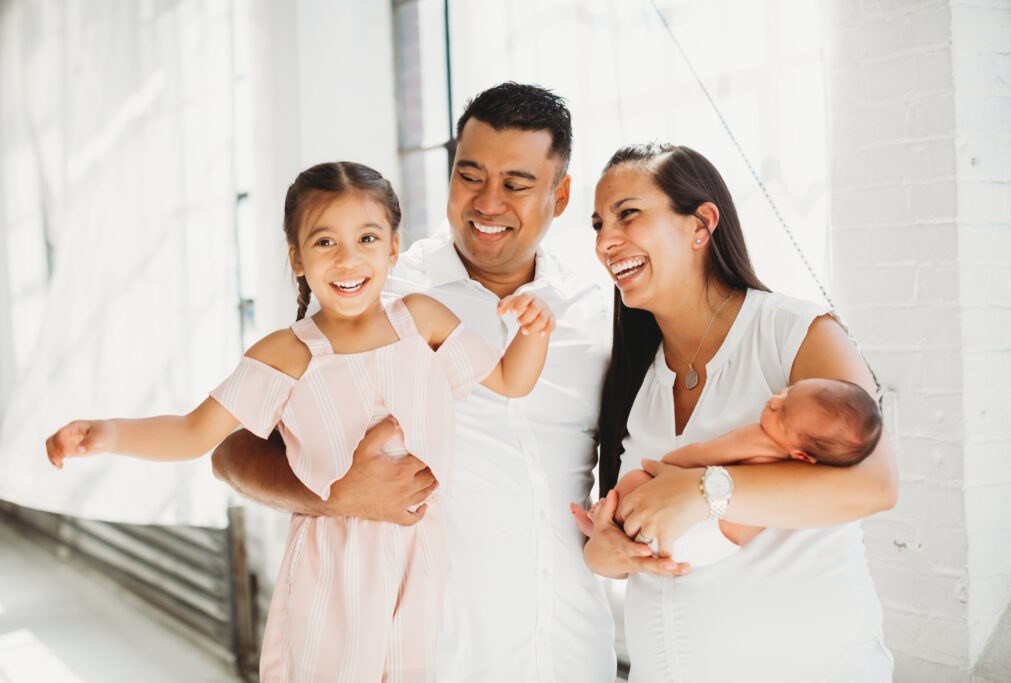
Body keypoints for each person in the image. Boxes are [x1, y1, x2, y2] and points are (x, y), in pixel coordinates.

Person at [45, 160, 556, 682]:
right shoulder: (286, 354)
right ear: (296, 257)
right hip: (329, 571)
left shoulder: (421, 322)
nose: (348, 259)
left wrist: (534, 331)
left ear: (394, 248)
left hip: (419, 559)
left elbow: (511, 381)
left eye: (367, 238)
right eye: (325, 243)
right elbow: (193, 432)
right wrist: (108, 433)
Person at [210, 83, 617, 682]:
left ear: (560, 199)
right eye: (469, 175)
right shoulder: (380, 294)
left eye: (516, 184)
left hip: (572, 651)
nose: (487, 202)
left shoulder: (597, 311)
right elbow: (232, 449)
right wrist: (337, 495)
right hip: (430, 655)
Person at [584, 143, 898, 681]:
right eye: (597, 225)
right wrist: (607, 553)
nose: (606, 241)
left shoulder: (796, 332)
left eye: (627, 214)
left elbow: (875, 486)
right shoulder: (629, 374)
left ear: (702, 223)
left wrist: (704, 490)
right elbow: (614, 538)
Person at [572, 377, 883, 566]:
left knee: (634, 482)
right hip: (718, 547)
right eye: (789, 391)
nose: (776, 399)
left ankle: (603, 516)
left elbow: (705, 453)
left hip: (705, 526)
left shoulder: (758, 438)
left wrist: (669, 468)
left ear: (802, 453)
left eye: (783, 411)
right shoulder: (804, 465)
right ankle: (607, 527)